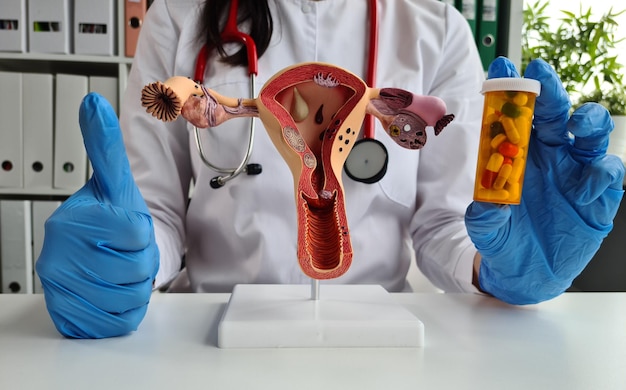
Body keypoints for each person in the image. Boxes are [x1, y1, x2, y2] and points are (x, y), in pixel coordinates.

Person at [36, 0, 624, 339]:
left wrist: (493, 267)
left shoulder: (435, 26)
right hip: (210, 336)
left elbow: (444, 223)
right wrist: (128, 260)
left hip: (380, 342)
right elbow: (155, 211)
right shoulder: (179, 15)